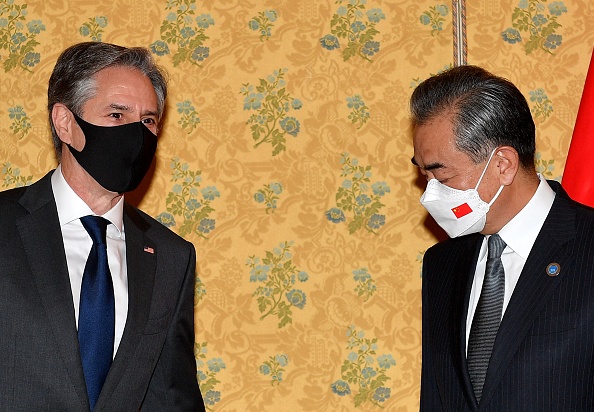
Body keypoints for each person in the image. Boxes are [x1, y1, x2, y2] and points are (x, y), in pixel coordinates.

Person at [0, 42, 205, 411]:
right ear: (65, 122)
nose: (137, 134)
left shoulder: (172, 256)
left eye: (147, 120)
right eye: (116, 115)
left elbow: (171, 396)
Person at [411, 65, 594, 411]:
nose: (430, 193)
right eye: (424, 175)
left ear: (503, 165)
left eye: (442, 175)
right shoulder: (441, 265)